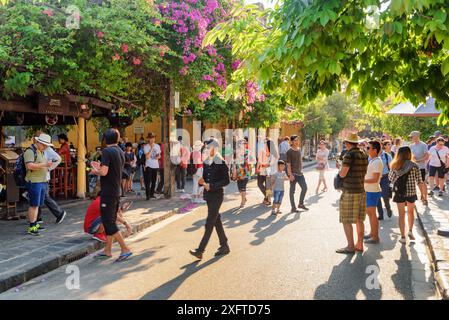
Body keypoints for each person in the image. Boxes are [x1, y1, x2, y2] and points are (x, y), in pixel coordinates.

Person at [91, 128, 132, 262]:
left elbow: (104, 172)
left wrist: (95, 170)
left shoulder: (107, 151)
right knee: (111, 219)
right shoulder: (120, 151)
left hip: (108, 191)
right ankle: (107, 250)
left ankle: (125, 249)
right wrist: (101, 166)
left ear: (105, 139)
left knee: (108, 221)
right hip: (116, 190)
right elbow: (111, 168)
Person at [189, 138, 230, 260]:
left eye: (208, 147)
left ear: (215, 148)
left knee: (209, 223)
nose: (206, 149)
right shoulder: (206, 161)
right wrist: (202, 182)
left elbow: (226, 180)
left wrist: (211, 185)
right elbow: (205, 178)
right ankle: (224, 245)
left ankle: (200, 250)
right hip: (209, 196)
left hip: (217, 195)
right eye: (205, 147)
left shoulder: (220, 161)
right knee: (216, 221)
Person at [336, 133, 368, 254]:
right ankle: (359, 244)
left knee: (346, 220)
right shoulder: (363, 154)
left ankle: (350, 247)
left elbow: (343, 174)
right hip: (361, 189)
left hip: (350, 191)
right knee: (360, 219)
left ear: (348, 143)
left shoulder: (349, 155)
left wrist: (340, 167)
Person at [389, 146, 427, 244]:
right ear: (409, 154)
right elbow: (419, 181)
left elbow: (391, 179)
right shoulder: (414, 165)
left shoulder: (395, 165)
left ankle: (402, 236)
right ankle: (410, 231)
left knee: (401, 215)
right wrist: (423, 194)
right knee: (410, 212)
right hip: (411, 192)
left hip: (399, 193)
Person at [24, 133, 54, 236]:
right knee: (34, 205)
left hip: (41, 181)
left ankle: (35, 223)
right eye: (44, 144)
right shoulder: (30, 151)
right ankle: (32, 226)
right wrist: (45, 164)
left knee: (37, 205)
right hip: (34, 181)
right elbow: (29, 166)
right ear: (38, 142)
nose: (46, 147)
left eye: (47, 145)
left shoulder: (39, 151)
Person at [36, 142, 67, 225]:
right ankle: (37, 217)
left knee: (44, 196)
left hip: (43, 177)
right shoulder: (41, 150)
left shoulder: (48, 150)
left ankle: (59, 213)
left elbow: (58, 158)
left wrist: (49, 168)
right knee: (39, 196)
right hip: (40, 176)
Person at [363, 140, 383, 244]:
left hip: (372, 191)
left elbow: (375, 179)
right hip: (369, 190)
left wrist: (362, 180)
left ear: (374, 150)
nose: (366, 150)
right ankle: (372, 233)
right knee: (370, 214)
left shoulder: (377, 162)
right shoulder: (373, 160)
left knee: (372, 214)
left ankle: (375, 237)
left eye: (368, 148)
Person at [286, 135, 308, 212]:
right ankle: (293, 207)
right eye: (295, 140)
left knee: (304, 188)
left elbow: (300, 160)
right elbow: (288, 164)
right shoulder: (289, 152)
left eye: (297, 140)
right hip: (293, 174)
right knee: (292, 191)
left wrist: (301, 169)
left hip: (300, 173)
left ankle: (301, 204)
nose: (297, 141)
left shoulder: (299, 149)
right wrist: (290, 174)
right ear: (291, 141)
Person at [231, 138, 255, 208]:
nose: (243, 145)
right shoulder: (236, 153)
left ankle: (242, 201)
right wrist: (234, 171)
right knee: (239, 188)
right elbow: (234, 163)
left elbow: (253, 160)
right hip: (239, 172)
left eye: (244, 143)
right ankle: (244, 198)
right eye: (241, 143)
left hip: (246, 172)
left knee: (243, 187)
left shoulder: (248, 152)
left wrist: (249, 163)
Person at [409, 131, 430, 203]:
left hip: (421, 167)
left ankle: (425, 198)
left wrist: (418, 160)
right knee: (418, 183)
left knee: (423, 182)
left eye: (411, 136)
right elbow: (410, 156)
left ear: (416, 136)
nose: (410, 138)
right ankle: (422, 194)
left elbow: (427, 156)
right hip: (413, 167)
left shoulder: (423, 145)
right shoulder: (411, 145)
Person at [376, 141, 394, 219]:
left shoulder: (387, 156)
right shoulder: (371, 156)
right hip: (375, 178)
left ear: (381, 146)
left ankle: (388, 208)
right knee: (377, 196)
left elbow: (392, 167)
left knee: (385, 195)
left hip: (385, 178)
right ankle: (380, 214)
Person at [143, 132, 161, 200]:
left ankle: (152, 194)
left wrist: (158, 156)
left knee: (154, 181)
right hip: (148, 165)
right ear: (148, 139)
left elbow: (159, 155)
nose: (152, 139)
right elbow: (147, 156)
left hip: (155, 165)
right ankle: (147, 195)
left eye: (153, 138)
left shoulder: (157, 146)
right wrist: (151, 148)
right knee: (148, 181)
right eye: (150, 138)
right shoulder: (146, 146)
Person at [256, 139, 275, 205]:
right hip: (261, 171)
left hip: (268, 172)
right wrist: (257, 168)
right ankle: (267, 197)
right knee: (259, 184)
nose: (264, 145)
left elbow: (272, 163)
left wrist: (266, 164)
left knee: (268, 186)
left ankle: (268, 200)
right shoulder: (262, 151)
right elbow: (259, 161)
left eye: (265, 143)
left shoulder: (273, 154)